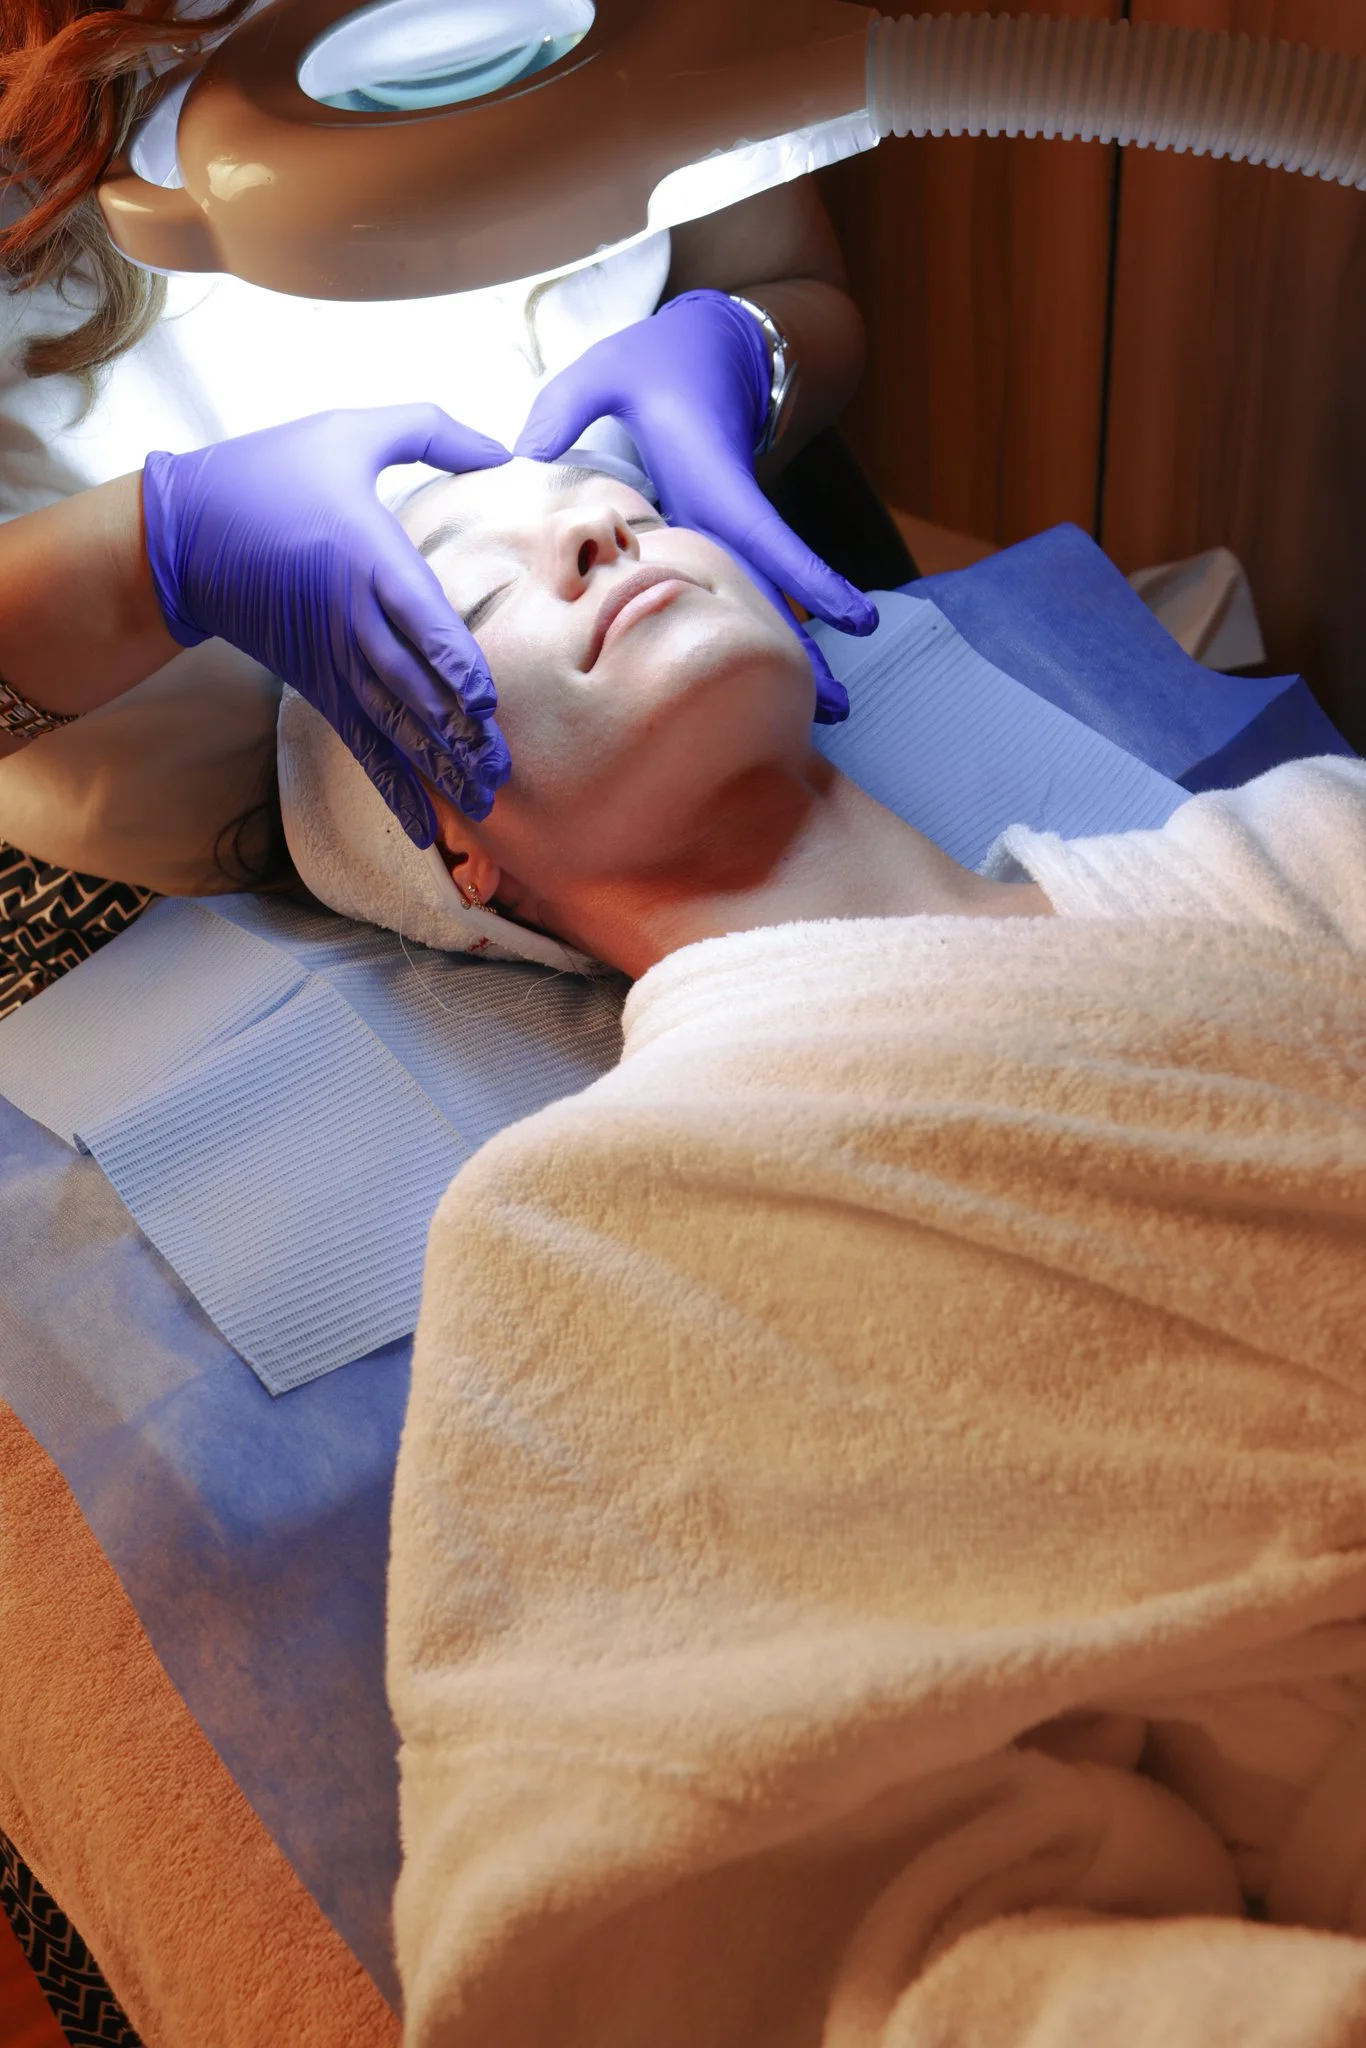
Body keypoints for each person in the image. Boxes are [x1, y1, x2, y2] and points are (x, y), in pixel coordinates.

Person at [321, 463, 1366, 2044]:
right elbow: (712, 1954)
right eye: (469, 598)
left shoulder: (1305, 846)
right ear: (454, 848)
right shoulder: (592, 1222)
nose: (600, 530)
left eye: (625, 502)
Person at [0, 0, 878, 1006]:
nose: (602, 528)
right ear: (468, 870)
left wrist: (751, 349)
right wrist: (146, 557)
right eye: (476, 606)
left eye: (641, 521)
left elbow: (792, 281)